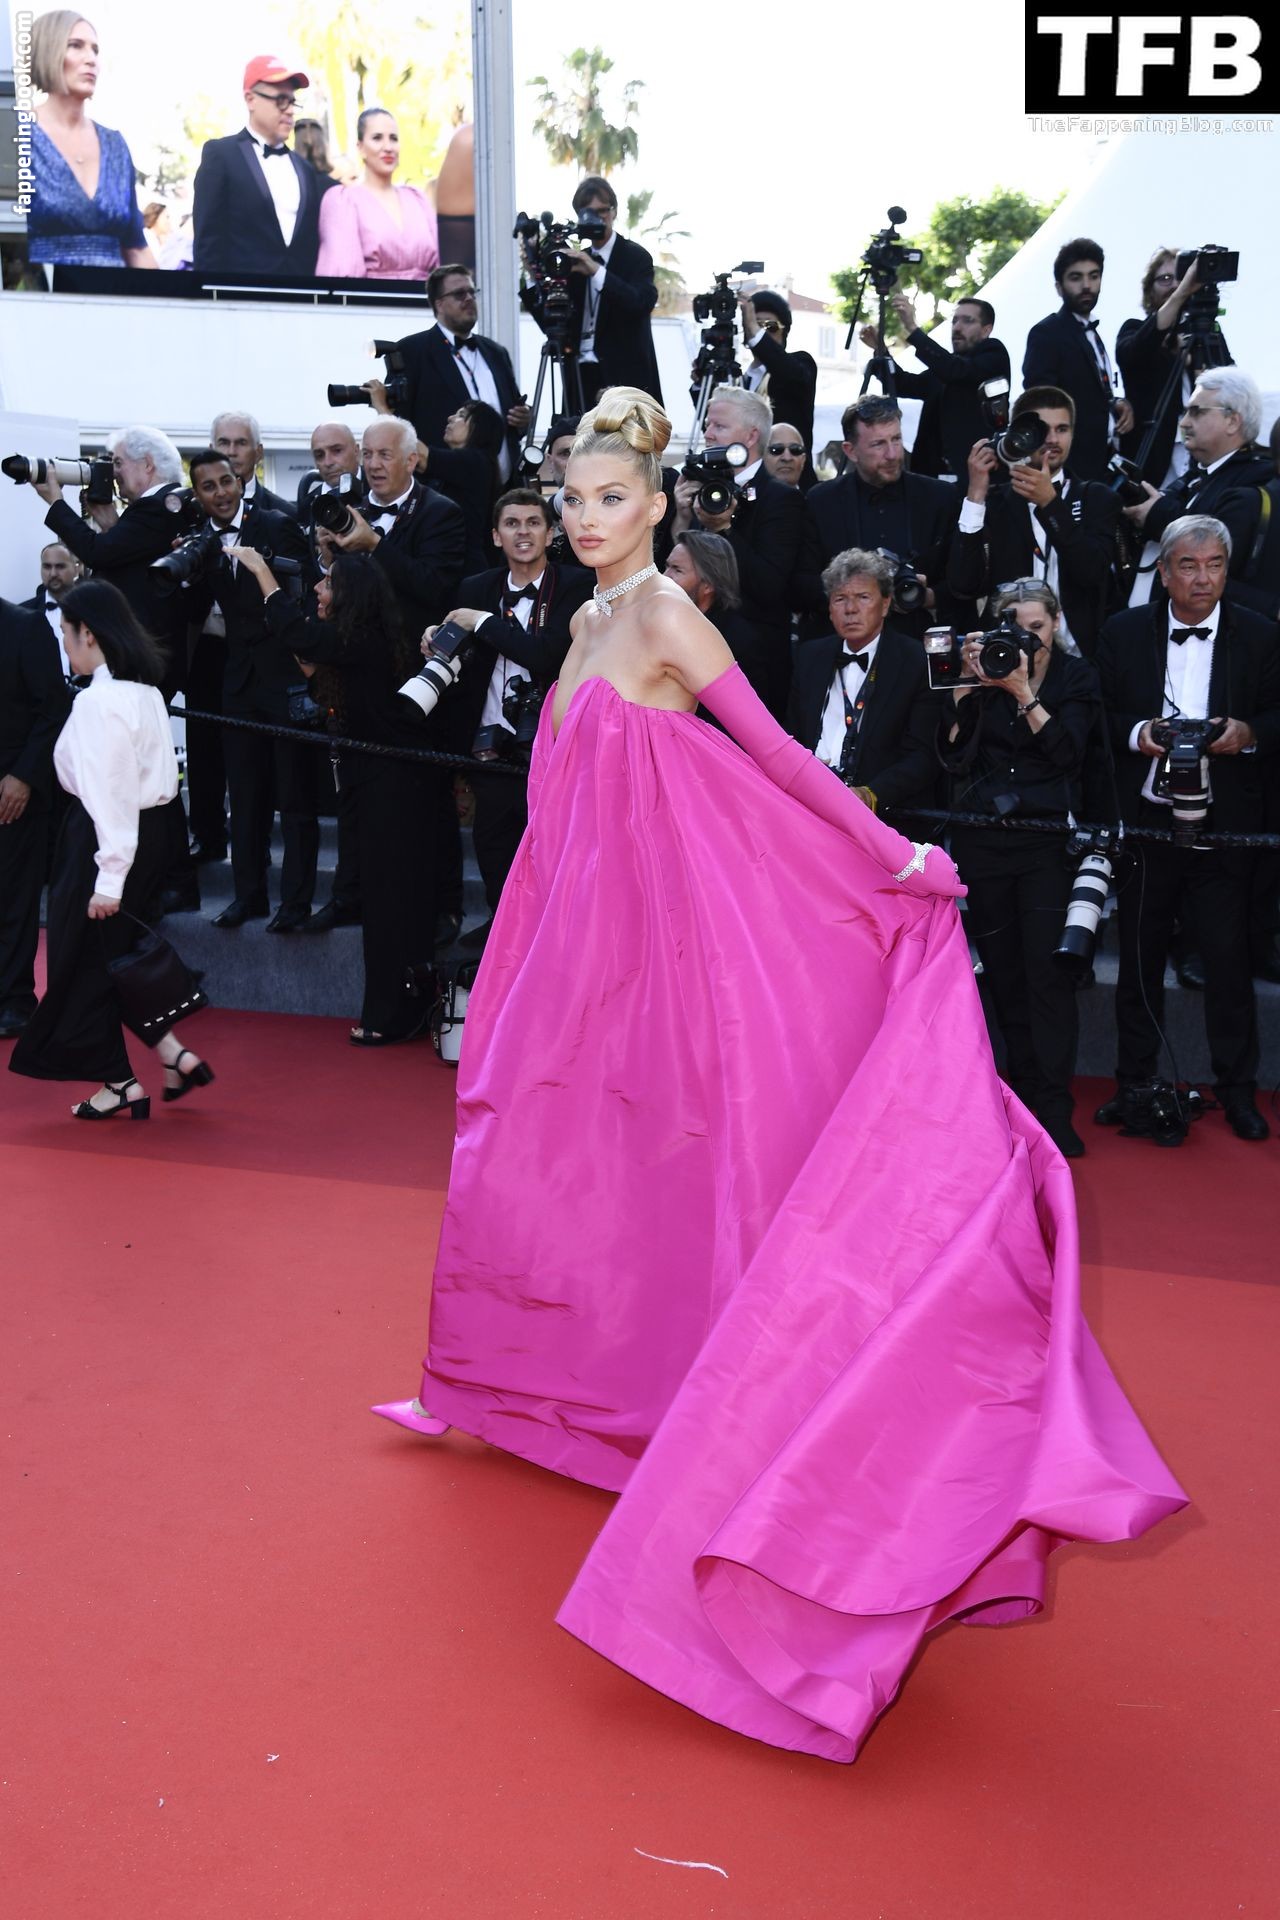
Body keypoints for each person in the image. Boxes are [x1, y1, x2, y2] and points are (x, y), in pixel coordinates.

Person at [372, 385, 1185, 1766]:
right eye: (572, 498)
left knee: (687, 1163)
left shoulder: (665, 619)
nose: (584, 518)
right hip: (578, 947)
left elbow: (778, 761)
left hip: (671, 957)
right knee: (549, 1159)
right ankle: (532, 1389)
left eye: (611, 499)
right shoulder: (580, 623)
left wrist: (893, 857)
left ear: (658, 507)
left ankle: (778, 1440)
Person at [1094, 516, 1280, 1147]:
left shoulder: (1260, 634)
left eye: (1215, 565)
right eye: (1189, 565)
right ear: (1165, 572)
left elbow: (1277, 715)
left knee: (1228, 962)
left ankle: (1238, 1091)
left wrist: (1248, 735)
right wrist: (1137, 734)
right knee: (1139, 959)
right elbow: (1097, 713)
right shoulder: (1123, 632)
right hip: (1149, 823)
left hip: (1225, 827)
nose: (1203, 578)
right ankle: (1133, 1084)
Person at [9, 581, 213, 1113]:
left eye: (66, 634)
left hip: (103, 838)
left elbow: (111, 797)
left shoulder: (98, 703)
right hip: (150, 834)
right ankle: (170, 1055)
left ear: (90, 634)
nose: (64, 646)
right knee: (115, 955)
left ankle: (120, 1082)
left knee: (79, 961)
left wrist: (109, 879)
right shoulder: (145, 692)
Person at [233, 548, 438, 1042]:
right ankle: (395, 1011)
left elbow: (299, 634)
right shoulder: (359, 642)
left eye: (327, 584)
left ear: (350, 596)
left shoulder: (362, 640)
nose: (318, 591)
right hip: (374, 783)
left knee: (389, 901)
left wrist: (261, 573)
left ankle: (392, 1016)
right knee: (382, 899)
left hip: (393, 787)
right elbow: (312, 662)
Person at [940, 581, 1102, 1158]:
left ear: (1055, 625)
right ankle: (1020, 1101)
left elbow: (1068, 755)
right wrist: (964, 689)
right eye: (1015, 627)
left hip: (1044, 846)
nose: (1026, 638)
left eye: (1036, 626)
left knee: (1047, 978)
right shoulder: (987, 670)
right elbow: (953, 756)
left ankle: (1054, 1109)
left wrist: (1025, 693)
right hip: (983, 842)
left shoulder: (1076, 678)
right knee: (1005, 976)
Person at [29, 424, 199, 916]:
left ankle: (166, 877)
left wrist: (55, 501)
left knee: (141, 778)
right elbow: (121, 556)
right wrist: (108, 522)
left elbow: (100, 554)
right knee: (142, 775)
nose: (112, 472)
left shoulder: (161, 506)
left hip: (143, 659)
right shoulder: (154, 511)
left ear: (147, 465)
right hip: (142, 656)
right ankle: (156, 876)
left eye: (117, 462)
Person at [180, 450, 317, 930]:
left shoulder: (276, 525)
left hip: (284, 676)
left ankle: (295, 902)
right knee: (243, 794)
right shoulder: (200, 542)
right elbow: (196, 609)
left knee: (294, 795)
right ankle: (248, 896)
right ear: (197, 495)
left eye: (226, 481)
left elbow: (305, 592)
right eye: (208, 486)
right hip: (237, 682)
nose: (220, 492)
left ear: (240, 481)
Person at [451, 488, 594, 947]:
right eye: (511, 523)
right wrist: (437, 637)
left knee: (551, 848)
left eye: (533, 522)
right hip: (490, 745)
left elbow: (546, 655)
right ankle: (503, 933)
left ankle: (551, 942)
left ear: (551, 534)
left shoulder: (575, 586)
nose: (523, 532)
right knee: (493, 847)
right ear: (496, 536)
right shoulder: (476, 589)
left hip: (553, 746)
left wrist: (483, 623)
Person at [948, 386, 1121, 658]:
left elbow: (1091, 572)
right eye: (1043, 430)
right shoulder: (995, 503)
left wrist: (1050, 504)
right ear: (1021, 433)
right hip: (1007, 657)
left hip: (1079, 657)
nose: (1053, 439)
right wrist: (975, 496)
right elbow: (963, 584)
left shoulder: (1097, 498)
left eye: (1062, 429)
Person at [786, 548, 942, 816]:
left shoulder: (915, 660)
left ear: (885, 604)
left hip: (883, 812)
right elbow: (792, 735)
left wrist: (870, 794)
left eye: (863, 597)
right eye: (840, 599)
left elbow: (924, 755)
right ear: (829, 608)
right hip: (808, 805)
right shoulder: (810, 656)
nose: (850, 609)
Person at [803, 395, 963, 640]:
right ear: (850, 451)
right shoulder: (821, 501)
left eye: (896, 439)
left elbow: (963, 582)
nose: (892, 454)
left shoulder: (939, 497)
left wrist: (927, 596)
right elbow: (803, 583)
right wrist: (858, 597)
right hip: (843, 643)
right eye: (878, 444)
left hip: (920, 642)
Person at [671, 384, 805, 666]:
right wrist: (682, 517)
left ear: (751, 436)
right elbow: (678, 567)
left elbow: (769, 586)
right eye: (707, 425)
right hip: (692, 646)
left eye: (719, 426)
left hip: (752, 658)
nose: (708, 434)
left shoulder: (781, 499)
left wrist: (724, 529)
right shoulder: (702, 487)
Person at [1122, 367, 1273, 606]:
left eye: (1196, 412)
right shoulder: (1197, 476)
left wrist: (1156, 514)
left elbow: (1216, 549)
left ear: (1232, 421)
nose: (1184, 423)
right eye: (1185, 412)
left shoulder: (1257, 479)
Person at [27, 11, 154, 271]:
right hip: (39, 290)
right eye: (76, 46)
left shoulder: (116, 145)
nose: (91, 59)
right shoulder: (17, 136)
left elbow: (136, 248)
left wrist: (170, 294)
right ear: (46, 52)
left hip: (115, 292)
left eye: (95, 50)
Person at [0, 596, 72, 1040]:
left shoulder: (24, 627)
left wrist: (24, 776)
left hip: (13, 791)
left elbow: (53, 709)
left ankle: (14, 1001)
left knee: (13, 899)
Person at [384, 266, 530, 485]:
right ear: (439, 304)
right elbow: (399, 422)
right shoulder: (411, 351)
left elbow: (513, 417)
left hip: (504, 487)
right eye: (460, 294)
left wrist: (522, 420)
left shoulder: (496, 352)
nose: (469, 298)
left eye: (472, 292)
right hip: (444, 488)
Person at [524, 176, 662, 404]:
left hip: (623, 379)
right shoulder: (576, 261)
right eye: (587, 213)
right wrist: (533, 274)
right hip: (579, 376)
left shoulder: (635, 256)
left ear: (614, 212)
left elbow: (640, 303)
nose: (596, 218)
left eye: (602, 211)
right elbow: (553, 323)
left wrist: (596, 271)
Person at [192, 55, 333, 277]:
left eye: (292, 101)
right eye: (281, 100)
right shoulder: (221, 155)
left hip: (299, 293)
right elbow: (207, 243)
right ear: (250, 99)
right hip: (240, 294)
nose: (290, 110)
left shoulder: (304, 168)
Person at [861, 293, 1010, 484]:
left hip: (972, 475)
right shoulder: (948, 367)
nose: (957, 327)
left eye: (967, 321)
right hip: (931, 474)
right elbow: (904, 384)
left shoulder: (993, 353)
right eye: (954, 321)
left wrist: (912, 328)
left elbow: (955, 371)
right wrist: (881, 351)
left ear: (986, 330)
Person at [1022, 238, 1134, 482]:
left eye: (1094, 276)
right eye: (1076, 277)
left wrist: (1115, 402)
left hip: (1104, 459)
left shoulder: (1092, 332)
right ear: (1059, 286)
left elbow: (1090, 389)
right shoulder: (1047, 333)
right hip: (1071, 465)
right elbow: (1040, 400)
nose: (1086, 286)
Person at [663, 530, 785, 717]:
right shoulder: (658, 626)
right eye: (667, 566)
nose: (664, 576)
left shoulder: (739, 643)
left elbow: (745, 718)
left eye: (677, 570)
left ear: (708, 585)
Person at [1116, 249, 1210, 488]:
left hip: (1202, 448)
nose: (1175, 285)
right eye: (1165, 279)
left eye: (1181, 277)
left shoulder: (1203, 333)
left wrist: (1196, 362)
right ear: (1149, 290)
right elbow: (1135, 351)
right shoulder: (1134, 329)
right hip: (1154, 456)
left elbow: (1228, 384)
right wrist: (1181, 293)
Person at [315, 107, 439, 281]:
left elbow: (441, 271)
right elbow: (342, 278)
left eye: (393, 138)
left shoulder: (417, 199)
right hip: (371, 298)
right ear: (360, 147)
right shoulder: (343, 201)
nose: (388, 147)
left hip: (424, 297)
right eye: (377, 138)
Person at [419, 400, 506, 572]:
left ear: (479, 429)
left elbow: (419, 456)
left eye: (462, 415)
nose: (450, 418)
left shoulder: (476, 462)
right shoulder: (462, 465)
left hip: (464, 571)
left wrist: (383, 409)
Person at [738, 289, 817, 464]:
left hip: (789, 472)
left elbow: (788, 373)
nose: (763, 332)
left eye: (771, 327)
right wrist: (700, 382)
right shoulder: (739, 380)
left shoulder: (801, 363)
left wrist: (754, 329)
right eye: (757, 324)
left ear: (784, 331)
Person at [211, 411, 297, 519]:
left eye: (241, 443)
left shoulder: (285, 514)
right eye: (224, 443)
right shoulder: (193, 511)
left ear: (258, 452)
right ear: (211, 451)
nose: (231, 452)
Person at [762, 423, 809, 492]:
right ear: (761, 458)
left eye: (795, 449)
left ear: (803, 460)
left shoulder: (815, 498)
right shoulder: (747, 497)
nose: (787, 458)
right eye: (777, 449)